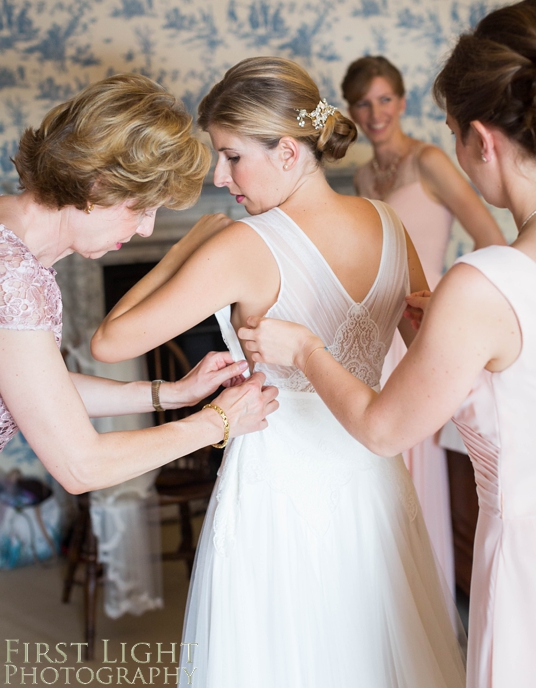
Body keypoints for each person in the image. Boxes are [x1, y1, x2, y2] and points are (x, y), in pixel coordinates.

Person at [93, 58, 465, 687]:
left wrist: (183, 248)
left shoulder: (244, 244)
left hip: (277, 497)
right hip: (372, 484)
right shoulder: (389, 224)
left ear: (289, 152)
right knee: (375, 649)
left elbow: (108, 341)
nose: (220, 175)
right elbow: (427, 344)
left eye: (232, 156)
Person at [240, 0, 536, 688]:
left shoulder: (483, 284)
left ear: (480, 140)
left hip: (535, 565)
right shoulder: (481, 290)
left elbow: (384, 430)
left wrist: (302, 349)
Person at [0, 73, 277, 494]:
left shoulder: (12, 241)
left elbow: (31, 390)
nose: (147, 229)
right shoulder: (15, 277)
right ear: (98, 184)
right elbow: (83, 467)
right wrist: (217, 421)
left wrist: (172, 394)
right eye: (142, 208)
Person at [343, 55, 505, 589]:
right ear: (351, 109)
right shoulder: (364, 176)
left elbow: (492, 238)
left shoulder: (431, 159)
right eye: (364, 102)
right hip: (378, 327)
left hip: (426, 323)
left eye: (385, 98)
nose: (375, 112)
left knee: (421, 455)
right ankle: (390, 594)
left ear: (403, 102)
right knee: (381, 458)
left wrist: (454, 303)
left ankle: (429, 596)